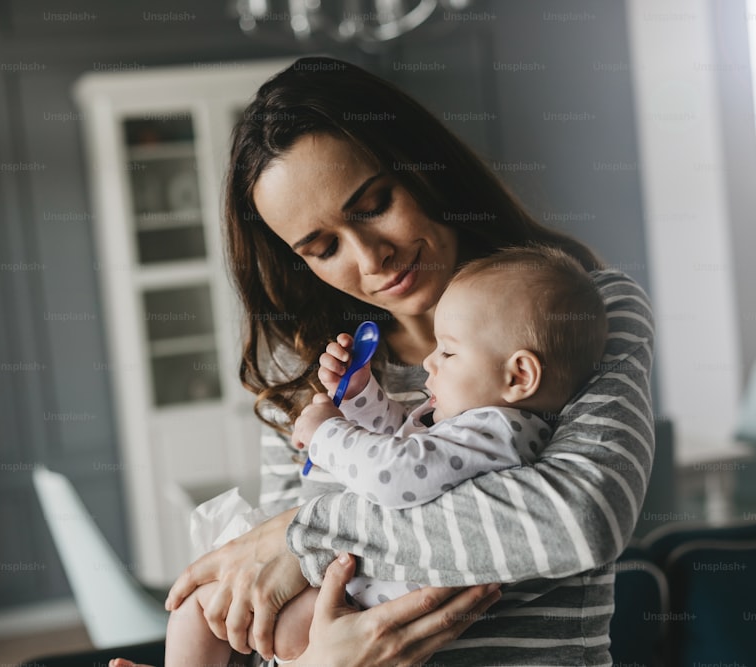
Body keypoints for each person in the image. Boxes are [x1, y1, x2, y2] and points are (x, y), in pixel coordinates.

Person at [108, 55, 654, 667]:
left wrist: (303, 533)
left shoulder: (577, 315)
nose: (372, 258)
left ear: (424, 165)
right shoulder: (311, 375)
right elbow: (275, 612)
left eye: (372, 205)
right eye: (323, 247)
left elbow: (579, 519)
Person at [164, 246, 608, 664]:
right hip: (364, 600)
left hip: (369, 610)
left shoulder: (497, 431)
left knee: (202, 609)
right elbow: (401, 446)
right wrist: (361, 398)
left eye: (449, 352)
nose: (431, 362)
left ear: (519, 374)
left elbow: (394, 476)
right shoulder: (481, 429)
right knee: (221, 613)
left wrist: (326, 435)